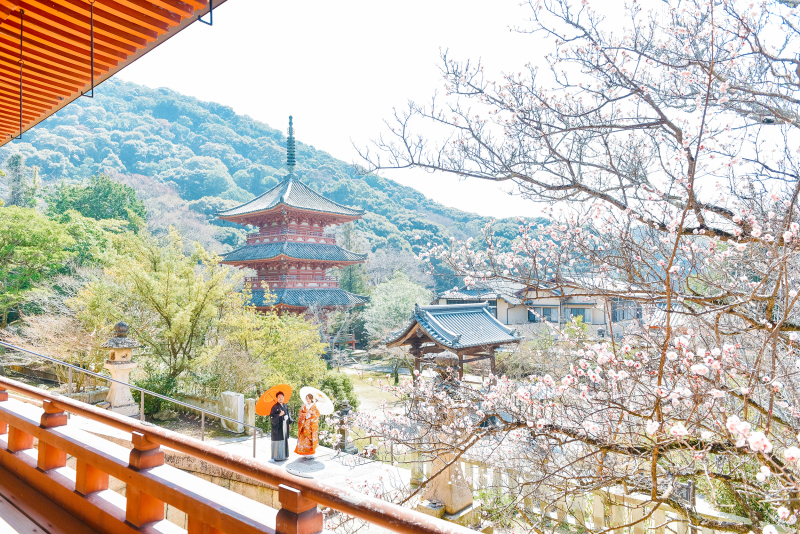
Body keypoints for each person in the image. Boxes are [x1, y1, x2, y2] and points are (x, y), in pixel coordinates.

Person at [294, 393, 320, 458]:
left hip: (311, 426)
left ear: (311, 399)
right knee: (304, 438)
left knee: (310, 439)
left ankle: (311, 454)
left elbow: (317, 414)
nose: (307, 400)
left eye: (308, 398)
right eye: (306, 398)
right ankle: (304, 452)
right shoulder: (304, 405)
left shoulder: (314, 406)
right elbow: (300, 414)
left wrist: (312, 413)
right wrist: (305, 414)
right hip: (304, 424)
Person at [269, 392, 293, 462]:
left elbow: (288, 414)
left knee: (284, 440)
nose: (280, 398)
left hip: (285, 425)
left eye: (282, 397)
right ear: (277, 398)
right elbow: (272, 417)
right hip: (278, 427)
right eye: (279, 397)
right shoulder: (274, 407)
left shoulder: (285, 406)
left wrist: (288, 423)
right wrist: (279, 415)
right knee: (277, 440)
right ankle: (275, 457)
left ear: (283, 398)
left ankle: (284, 456)